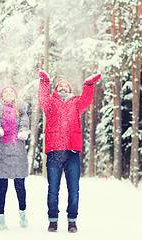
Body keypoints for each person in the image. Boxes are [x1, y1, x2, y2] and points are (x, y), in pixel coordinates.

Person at [37, 68, 101, 233]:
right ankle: (53, 220)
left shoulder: (76, 103)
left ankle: (72, 221)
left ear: (70, 90)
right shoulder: (50, 103)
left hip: (72, 152)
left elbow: (87, 99)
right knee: (53, 189)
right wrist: (44, 81)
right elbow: (42, 98)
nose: (63, 88)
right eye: (60, 87)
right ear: (56, 90)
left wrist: (88, 84)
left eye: (66, 86)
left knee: (73, 189)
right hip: (54, 151)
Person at [0, 85, 31, 230]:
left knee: (20, 186)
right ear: (1, 96)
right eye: (5, 91)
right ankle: (0, 218)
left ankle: (23, 215)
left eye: (11, 91)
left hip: (18, 151)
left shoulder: (22, 112)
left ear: (15, 95)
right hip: (2, 152)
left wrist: (24, 131)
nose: (8, 93)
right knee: (2, 187)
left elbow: (25, 124)